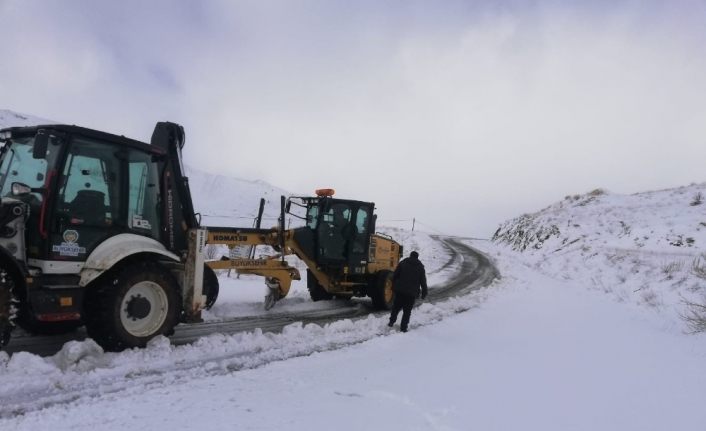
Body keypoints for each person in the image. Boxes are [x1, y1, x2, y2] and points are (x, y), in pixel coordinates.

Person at [388, 250, 428, 332]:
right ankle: (403, 328)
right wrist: (424, 292)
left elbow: (395, 275)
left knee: (396, 307)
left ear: (410, 256)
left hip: (400, 291)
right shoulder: (420, 267)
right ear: (417, 257)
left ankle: (391, 322)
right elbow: (423, 281)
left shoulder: (403, 263)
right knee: (407, 311)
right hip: (411, 293)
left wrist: (393, 286)